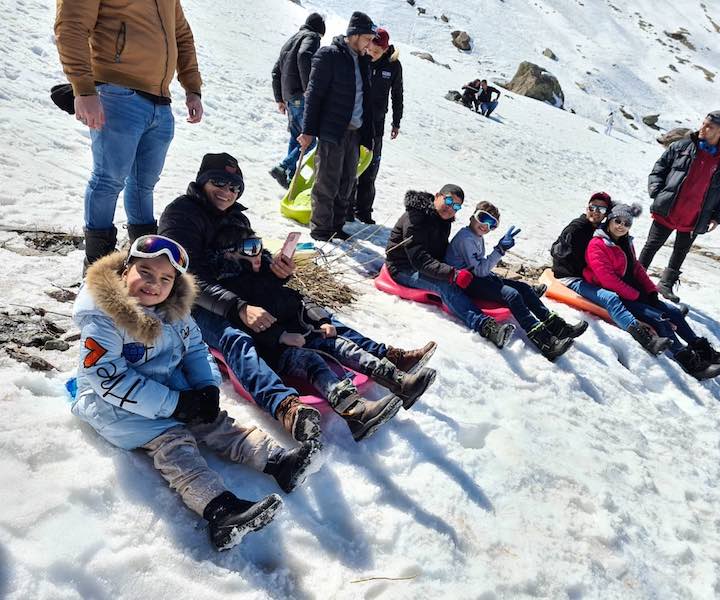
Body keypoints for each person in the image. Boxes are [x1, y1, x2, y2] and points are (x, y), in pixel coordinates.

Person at [159, 153, 435, 441]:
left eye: (235, 187)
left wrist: (275, 269)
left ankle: (385, 357)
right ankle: (285, 407)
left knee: (306, 311)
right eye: (220, 182)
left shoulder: (237, 218)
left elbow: (255, 260)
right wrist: (240, 308)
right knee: (235, 338)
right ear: (202, 180)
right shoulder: (181, 213)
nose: (228, 192)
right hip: (196, 304)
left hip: (242, 294)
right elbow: (185, 276)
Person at [71, 235, 318, 550]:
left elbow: (196, 350)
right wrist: (175, 405)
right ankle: (221, 512)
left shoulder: (174, 310)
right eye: (144, 273)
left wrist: (206, 389)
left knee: (216, 422)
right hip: (118, 410)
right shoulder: (104, 317)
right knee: (174, 444)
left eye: (165, 278)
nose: (153, 284)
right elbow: (108, 379)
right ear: (124, 271)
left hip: (166, 388)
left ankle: (279, 462)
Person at [213, 222, 438, 441]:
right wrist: (281, 337)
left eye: (258, 245)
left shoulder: (267, 273)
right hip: (280, 349)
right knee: (312, 362)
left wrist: (320, 319)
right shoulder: (233, 292)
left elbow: (297, 299)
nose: (258, 254)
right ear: (229, 255)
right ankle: (355, 413)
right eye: (250, 249)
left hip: (307, 330)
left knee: (342, 345)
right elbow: (246, 327)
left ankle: (399, 382)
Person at [54, 0, 204, 269]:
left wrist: (192, 87)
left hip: (160, 102)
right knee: (108, 180)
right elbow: (71, 26)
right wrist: (84, 90)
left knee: (143, 186)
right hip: (117, 92)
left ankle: (143, 266)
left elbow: (181, 35)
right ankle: (97, 269)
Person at [584, 203, 720, 379]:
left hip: (633, 290)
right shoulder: (597, 245)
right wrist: (636, 295)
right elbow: (608, 280)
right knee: (659, 319)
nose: (621, 226)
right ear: (610, 220)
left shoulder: (625, 242)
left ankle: (703, 350)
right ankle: (689, 362)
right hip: (617, 294)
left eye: (627, 224)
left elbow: (636, 268)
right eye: (618, 221)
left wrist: (650, 290)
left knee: (673, 312)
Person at [445, 201, 587, 360]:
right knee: (512, 295)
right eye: (483, 218)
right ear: (472, 216)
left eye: (492, 224)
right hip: (465, 283)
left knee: (524, 288)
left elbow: (479, 268)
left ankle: (558, 327)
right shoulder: (466, 238)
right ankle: (545, 342)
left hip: (476, 278)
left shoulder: (475, 236)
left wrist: (498, 253)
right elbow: (480, 270)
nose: (485, 225)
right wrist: (500, 250)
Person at [386, 184, 516, 348]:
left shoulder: (443, 220)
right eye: (448, 200)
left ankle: (515, 291)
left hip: (426, 264)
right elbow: (419, 259)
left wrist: (459, 270)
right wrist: (452, 274)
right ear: (437, 196)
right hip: (403, 267)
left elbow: (440, 251)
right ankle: (486, 326)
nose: (450, 208)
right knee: (444, 284)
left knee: (471, 273)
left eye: (456, 206)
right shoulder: (415, 218)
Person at [551, 192, 674, 355]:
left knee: (634, 286)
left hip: (586, 275)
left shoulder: (601, 230)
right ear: (587, 207)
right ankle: (646, 339)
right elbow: (557, 249)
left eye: (601, 210)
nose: (595, 212)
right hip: (570, 277)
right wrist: (563, 254)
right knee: (610, 297)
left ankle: (666, 315)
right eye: (592, 207)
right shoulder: (577, 227)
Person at [639, 111, 720, 302]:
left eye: (709, 126)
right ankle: (636, 276)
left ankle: (666, 284)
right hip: (669, 208)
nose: (703, 128)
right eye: (703, 123)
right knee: (652, 245)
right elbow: (659, 169)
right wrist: (657, 192)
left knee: (680, 251)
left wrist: (718, 217)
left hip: (696, 216)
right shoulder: (681, 146)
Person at [298, 11, 376, 241]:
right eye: (367, 39)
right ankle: (321, 229)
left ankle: (337, 226)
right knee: (327, 181)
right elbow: (314, 95)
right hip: (333, 130)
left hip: (355, 131)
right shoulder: (329, 55)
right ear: (354, 35)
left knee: (347, 181)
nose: (369, 44)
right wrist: (308, 130)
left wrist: (368, 136)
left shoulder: (363, 61)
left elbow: (366, 100)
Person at [349, 27, 404, 224]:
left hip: (376, 126)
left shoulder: (394, 66)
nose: (372, 55)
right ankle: (347, 209)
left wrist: (396, 122)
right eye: (370, 50)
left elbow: (397, 95)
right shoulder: (360, 58)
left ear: (385, 49)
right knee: (350, 166)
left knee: (370, 168)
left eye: (377, 52)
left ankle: (364, 211)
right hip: (355, 122)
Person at [269, 13, 326, 189]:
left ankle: (289, 176)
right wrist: (309, 88)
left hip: (289, 97)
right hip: (300, 96)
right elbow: (304, 56)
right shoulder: (312, 37)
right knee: (310, 140)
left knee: (297, 138)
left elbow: (275, 71)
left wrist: (280, 98)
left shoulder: (291, 40)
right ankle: (284, 166)